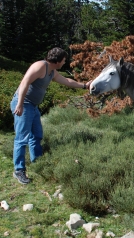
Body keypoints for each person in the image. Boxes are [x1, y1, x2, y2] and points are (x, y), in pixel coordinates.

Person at [10, 47, 91, 184]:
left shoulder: (52, 72)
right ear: (58, 60)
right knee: (21, 138)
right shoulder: (40, 66)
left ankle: (38, 163)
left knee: (36, 135)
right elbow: (24, 82)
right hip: (24, 104)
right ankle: (19, 170)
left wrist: (85, 85)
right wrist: (19, 104)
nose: (64, 62)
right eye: (64, 60)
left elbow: (67, 81)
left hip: (33, 107)